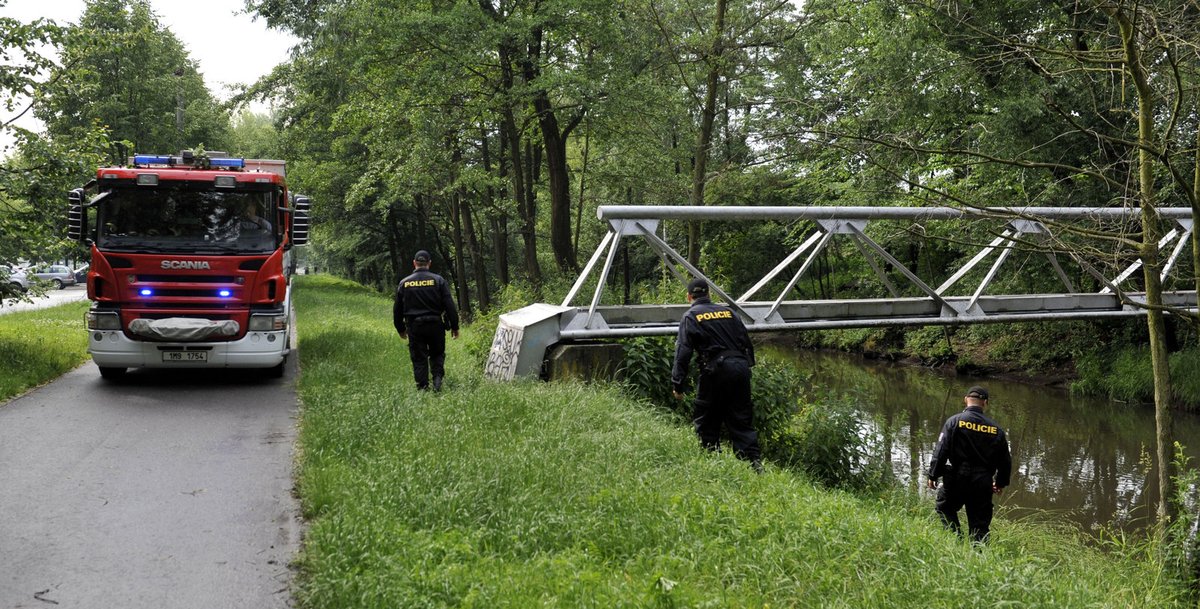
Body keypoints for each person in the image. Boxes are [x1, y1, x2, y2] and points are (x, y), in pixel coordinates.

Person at [671, 278, 762, 472]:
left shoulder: (691, 316)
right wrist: (746, 368)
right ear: (709, 294)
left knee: (707, 418)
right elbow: (745, 341)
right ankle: (753, 465)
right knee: (741, 418)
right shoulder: (730, 312)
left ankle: (712, 463)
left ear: (689, 297)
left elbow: (683, 353)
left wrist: (677, 384)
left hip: (715, 370)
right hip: (740, 367)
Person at [927, 385, 1012, 543]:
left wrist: (933, 474)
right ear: (985, 403)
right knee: (980, 524)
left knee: (945, 507)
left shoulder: (954, 422)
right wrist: (1000, 483)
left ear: (966, 400)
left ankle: (955, 539)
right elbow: (1005, 461)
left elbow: (941, 450)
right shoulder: (996, 430)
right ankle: (978, 555)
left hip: (956, 478)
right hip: (982, 482)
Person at [393, 250, 459, 391]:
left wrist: (400, 329)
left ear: (414, 263)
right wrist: (455, 326)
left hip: (415, 326)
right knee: (437, 353)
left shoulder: (404, 283)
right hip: (435, 325)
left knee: (419, 357)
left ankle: (422, 387)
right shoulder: (438, 281)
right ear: (429, 263)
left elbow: (397, 309)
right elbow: (449, 305)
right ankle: (437, 380)